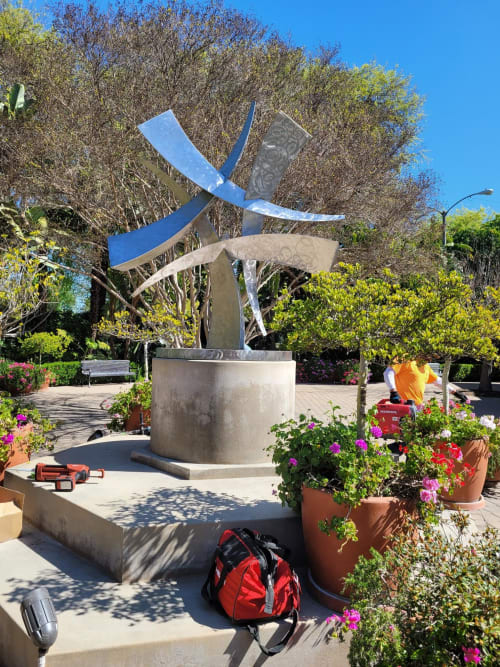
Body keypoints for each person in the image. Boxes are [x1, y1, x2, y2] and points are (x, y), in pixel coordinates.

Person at [383, 361, 466, 408]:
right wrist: (393, 391)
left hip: (417, 406)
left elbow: (438, 381)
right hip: (402, 405)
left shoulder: (425, 366)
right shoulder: (405, 358)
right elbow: (388, 373)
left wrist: (455, 392)